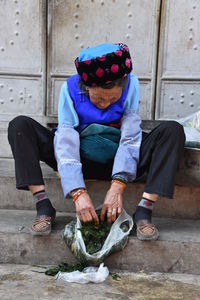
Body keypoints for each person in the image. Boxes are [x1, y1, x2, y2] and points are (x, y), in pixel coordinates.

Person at [8, 43, 185, 240]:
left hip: (118, 158)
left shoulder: (131, 84)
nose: (105, 105)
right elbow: (66, 140)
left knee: (173, 130)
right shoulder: (70, 88)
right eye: (99, 99)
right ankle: (43, 205)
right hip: (81, 159)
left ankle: (144, 210)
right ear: (86, 87)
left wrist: (118, 184)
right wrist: (77, 191)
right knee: (20, 126)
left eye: (113, 99)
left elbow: (130, 137)